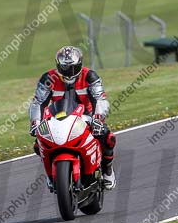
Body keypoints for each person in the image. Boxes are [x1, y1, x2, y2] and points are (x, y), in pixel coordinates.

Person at [29, 46, 116, 189]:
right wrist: (35, 122)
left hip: (85, 117)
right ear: (58, 65)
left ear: (80, 64)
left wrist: (98, 119)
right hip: (57, 118)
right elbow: (38, 102)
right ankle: (51, 174)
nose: (69, 72)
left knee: (107, 137)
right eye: (64, 68)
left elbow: (100, 99)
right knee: (39, 144)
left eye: (73, 68)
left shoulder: (90, 76)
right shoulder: (48, 78)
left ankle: (108, 171)